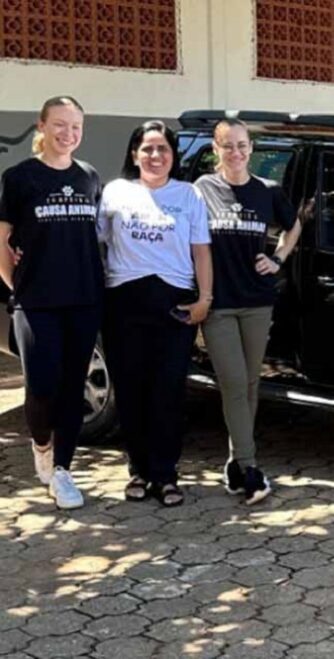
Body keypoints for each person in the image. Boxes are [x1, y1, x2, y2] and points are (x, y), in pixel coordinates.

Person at [98, 120, 213, 507]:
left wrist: (205, 299)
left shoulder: (189, 195)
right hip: (123, 303)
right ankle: (138, 471)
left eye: (163, 148)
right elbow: (92, 242)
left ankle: (165, 475)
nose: (155, 155)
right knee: (131, 391)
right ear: (134, 154)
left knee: (168, 391)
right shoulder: (115, 192)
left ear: (173, 156)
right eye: (147, 148)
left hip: (174, 305)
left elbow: (201, 251)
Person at [0, 96, 104, 509]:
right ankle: (41, 444)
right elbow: (2, 240)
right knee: (42, 385)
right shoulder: (19, 178)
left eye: (76, 126)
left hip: (83, 299)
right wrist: (17, 285)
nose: (68, 133)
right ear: (41, 126)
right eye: (59, 124)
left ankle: (62, 469)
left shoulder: (89, 177)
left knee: (72, 387)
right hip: (35, 301)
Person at [194, 119, 301, 505]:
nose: (235, 153)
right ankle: (250, 467)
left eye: (241, 145)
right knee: (235, 383)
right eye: (227, 146)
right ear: (216, 149)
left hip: (257, 301)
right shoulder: (202, 189)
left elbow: (294, 226)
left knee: (251, 383)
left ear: (251, 148)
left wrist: (277, 258)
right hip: (219, 303)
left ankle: (233, 464)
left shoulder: (267, 191)